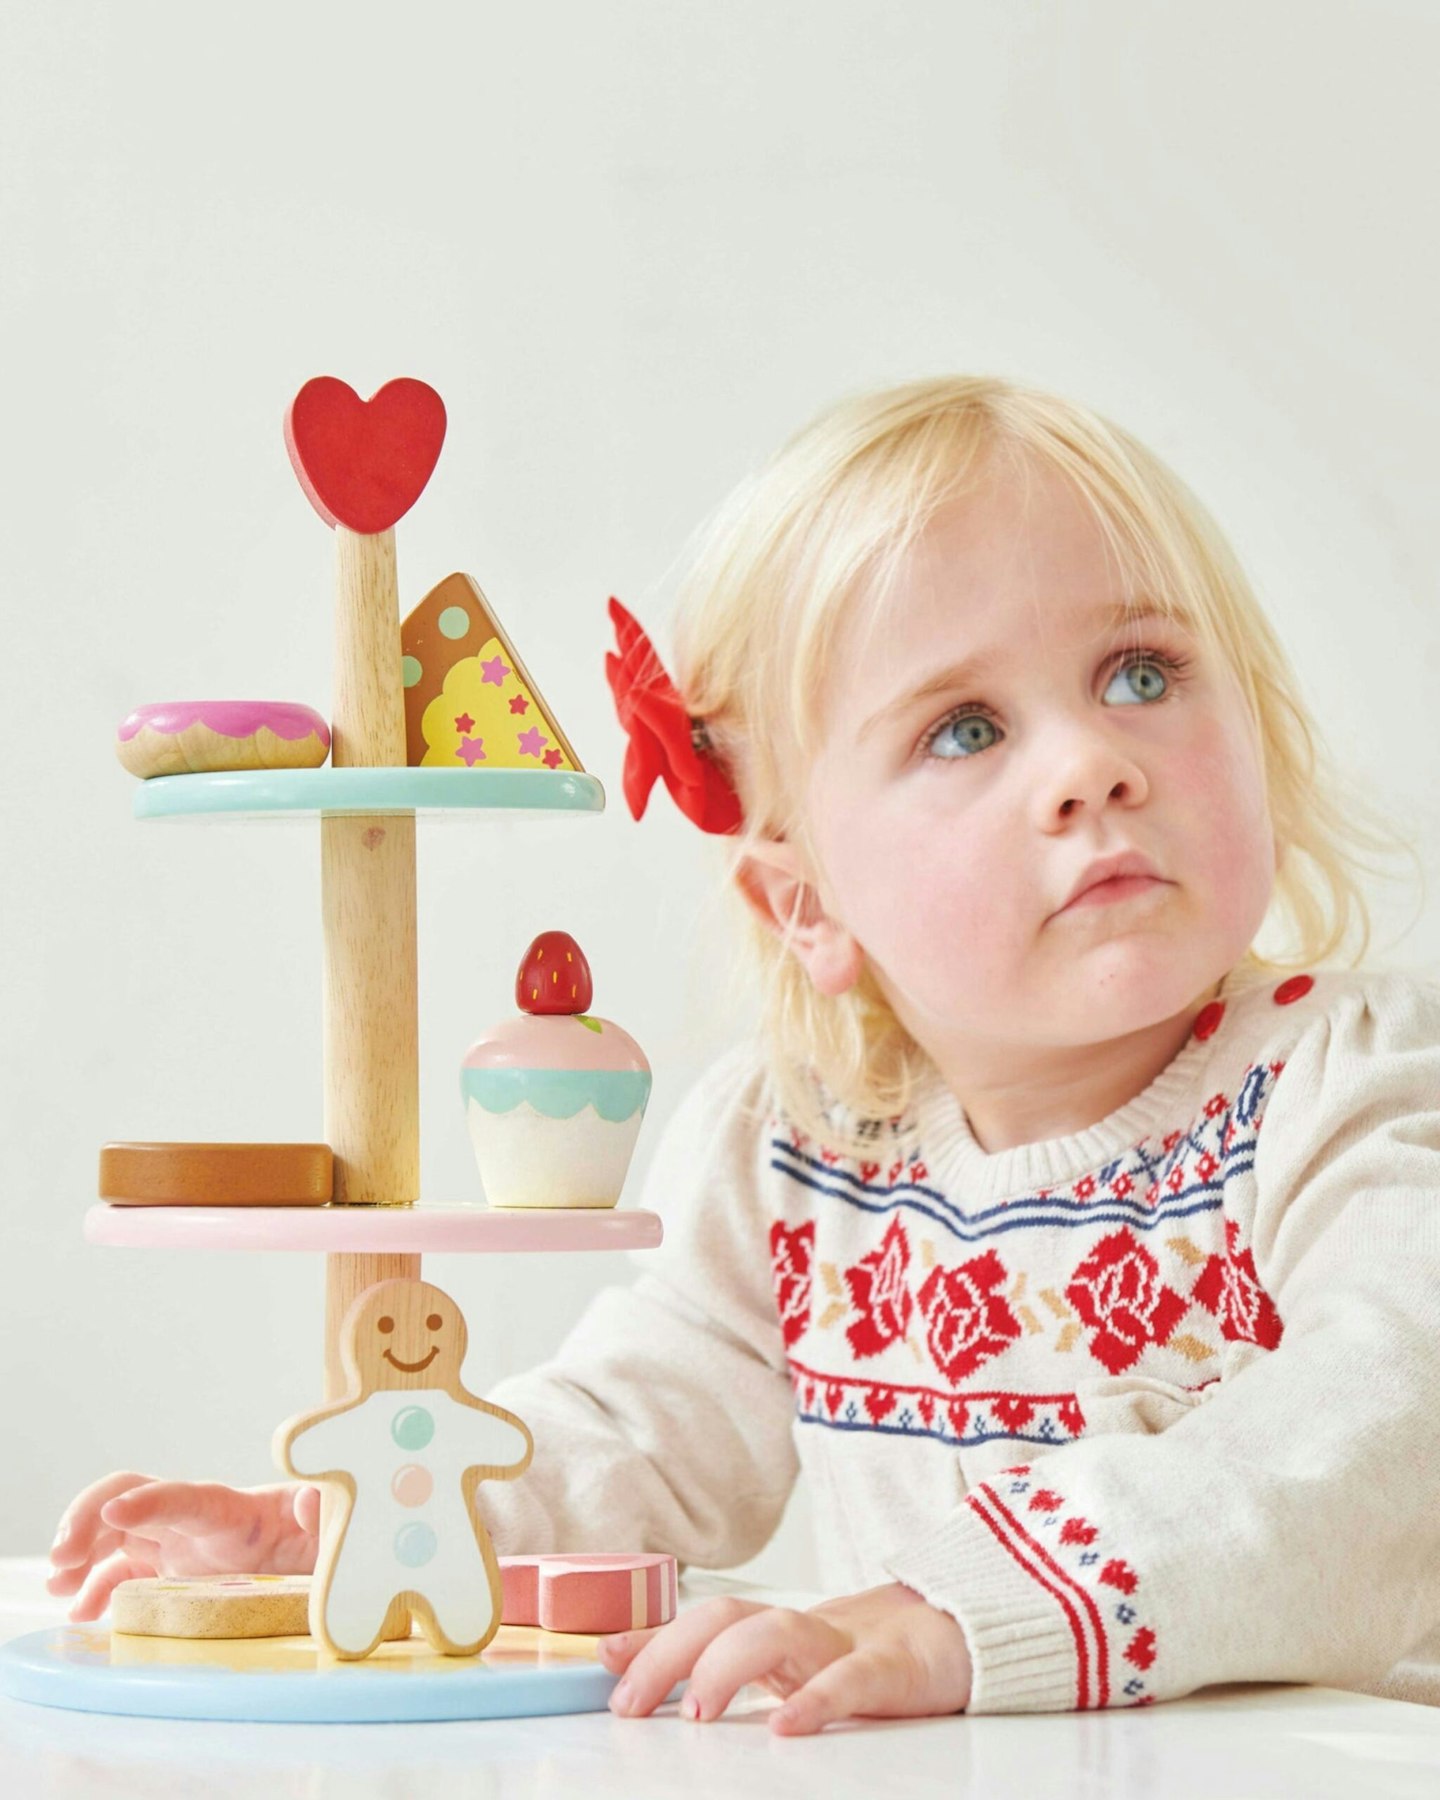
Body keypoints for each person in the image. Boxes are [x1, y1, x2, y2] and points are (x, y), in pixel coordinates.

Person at [49, 376, 1440, 1732]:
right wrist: (359, 1527)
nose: (1089, 761)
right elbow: (635, 1433)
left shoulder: (1354, 1089)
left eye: (1142, 672)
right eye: (967, 727)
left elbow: (1384, 1433)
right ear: (807, 906)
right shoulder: (797, 1151)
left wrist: (960, 1611)